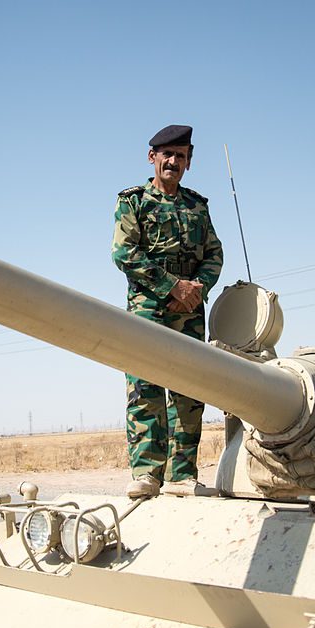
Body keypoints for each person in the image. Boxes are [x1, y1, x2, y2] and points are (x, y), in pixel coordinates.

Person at [112, 125, 223, 499]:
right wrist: (171, 287)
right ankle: (146, 474)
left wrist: (196, 290)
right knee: (145, 389)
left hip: (189, 312)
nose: (173, 161)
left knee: (189, 393)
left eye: (181, 156)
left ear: (188, 162)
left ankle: (182, 475)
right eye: (167, 155)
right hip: (147, 308)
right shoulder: (133, 202)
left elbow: (213, 255)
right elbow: (124, 253)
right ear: (153, 158)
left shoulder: (197, 206)